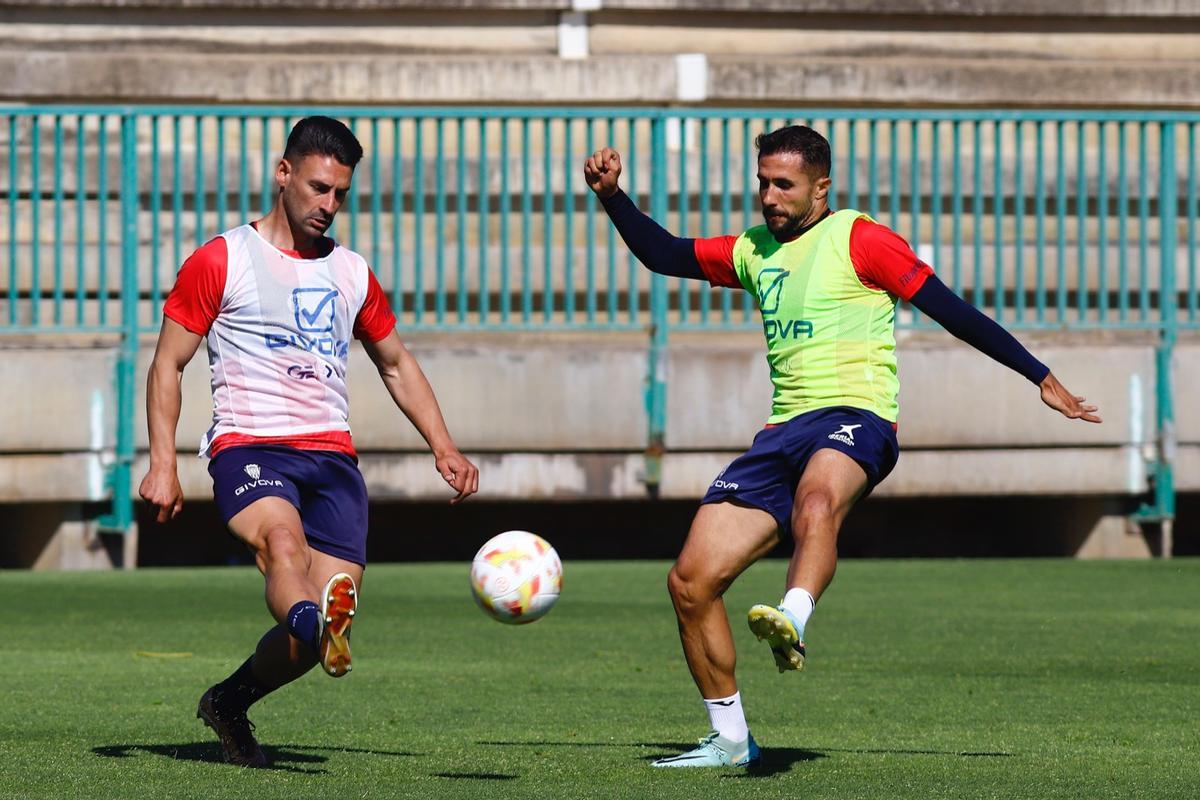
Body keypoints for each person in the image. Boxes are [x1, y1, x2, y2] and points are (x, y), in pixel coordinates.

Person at [583, 125, 1101, 768]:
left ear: (820, 187)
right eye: (763, 182)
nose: (769, 196)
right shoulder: (752, 249)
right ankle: (731, 741)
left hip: (858, 417)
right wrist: (613, 197)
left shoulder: (860, 238)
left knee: (818, 500)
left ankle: (793, 617)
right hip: (780, 433)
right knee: (690, 582)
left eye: (784, 185)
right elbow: (664, 254)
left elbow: (950, 308)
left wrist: (1039, 376)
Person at [139, 116, 479, 767]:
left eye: (340, 194)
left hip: (332, 461)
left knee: (312, 634)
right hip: (250, 448)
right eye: (319, 188)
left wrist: (445, 445)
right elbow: (166, 364)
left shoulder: (351, 272)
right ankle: (311, 622)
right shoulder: (223, 258)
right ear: (283, 173)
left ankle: (231, 699)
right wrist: (164, 463)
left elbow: (396, 363)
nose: (328, 205)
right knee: (283, 545)